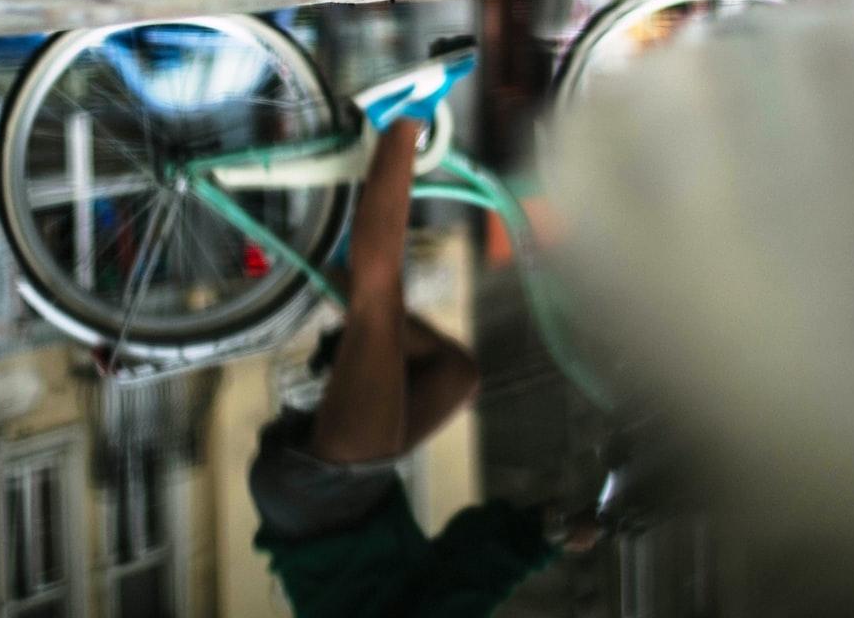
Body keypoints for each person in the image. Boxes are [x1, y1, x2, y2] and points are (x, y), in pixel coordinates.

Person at [247, 49, 601, 616]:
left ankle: (401, 118)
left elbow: (471, 582)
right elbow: (466, 557)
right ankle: (342, 291)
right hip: (321, 499)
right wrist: (541, 529)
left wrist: (546, 537)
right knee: (455, 378)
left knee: (379, 304)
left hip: (330, 494)